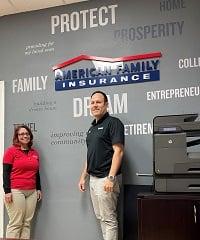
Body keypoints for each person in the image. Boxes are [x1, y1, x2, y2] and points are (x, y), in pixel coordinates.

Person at [78, 90, 125, 240]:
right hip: (93, 179)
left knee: (109, 219)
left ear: (106, 105)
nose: (95, 105)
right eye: (92, 102)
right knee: (101, 217)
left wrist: (110, 178)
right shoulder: (91, 128)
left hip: (106, 178)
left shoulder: (114, 123)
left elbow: (118, 151)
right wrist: (82, 177)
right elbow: (90, 155)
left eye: (98, 102)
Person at [3, 125, 42, 239]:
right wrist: (7, 191)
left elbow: (36, 172)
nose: (25, 136)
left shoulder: (34, 153)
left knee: (26, 224)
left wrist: (39, 189)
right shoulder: (11, 151)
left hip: (32, 192)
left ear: (30, 135)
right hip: (16, 191)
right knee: (16, 223)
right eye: (21, 134)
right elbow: (5, 172)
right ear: (17, 137)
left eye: (27, 133)